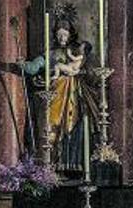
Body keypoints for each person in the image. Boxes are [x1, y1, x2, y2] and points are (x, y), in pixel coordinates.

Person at [20, 18, 98, 173]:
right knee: (51, 128)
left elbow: (90, 73)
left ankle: (74, 165)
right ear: (55, 36)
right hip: (55, 97)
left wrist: (80, 73)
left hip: (74, 96)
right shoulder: (50, 54)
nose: (62, 38)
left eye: (65, 35)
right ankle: (52, 166)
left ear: (71, 35)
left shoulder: (77, 52)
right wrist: (24, 65)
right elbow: (34, 67)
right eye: (59, 35)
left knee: (74, 126)